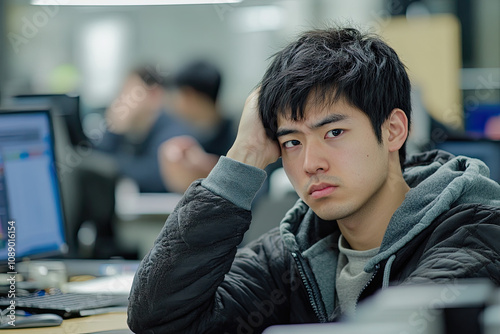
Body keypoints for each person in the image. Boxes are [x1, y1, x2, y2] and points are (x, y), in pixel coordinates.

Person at [127, 27, 500, 333]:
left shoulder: (474, 232)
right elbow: (157, 320)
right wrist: (244, 156)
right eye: (291, 141)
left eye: (334, 133)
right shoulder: (294, 251)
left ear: (393, 130)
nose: (309, 163)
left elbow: (397, 327)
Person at [95, 65, 194, 193]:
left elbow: (154, 178)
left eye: (129, 93)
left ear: (154, 94)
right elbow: (96, 164)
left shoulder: (174, 131)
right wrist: (112, 129)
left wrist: (113, 164)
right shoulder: (137, 132)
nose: (121, 100)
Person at [158, 60, 236, 193]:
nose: (172, 105)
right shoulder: (187, 137)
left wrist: (208, 167)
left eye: (176, 96)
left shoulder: (238, 135)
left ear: (189, 95)